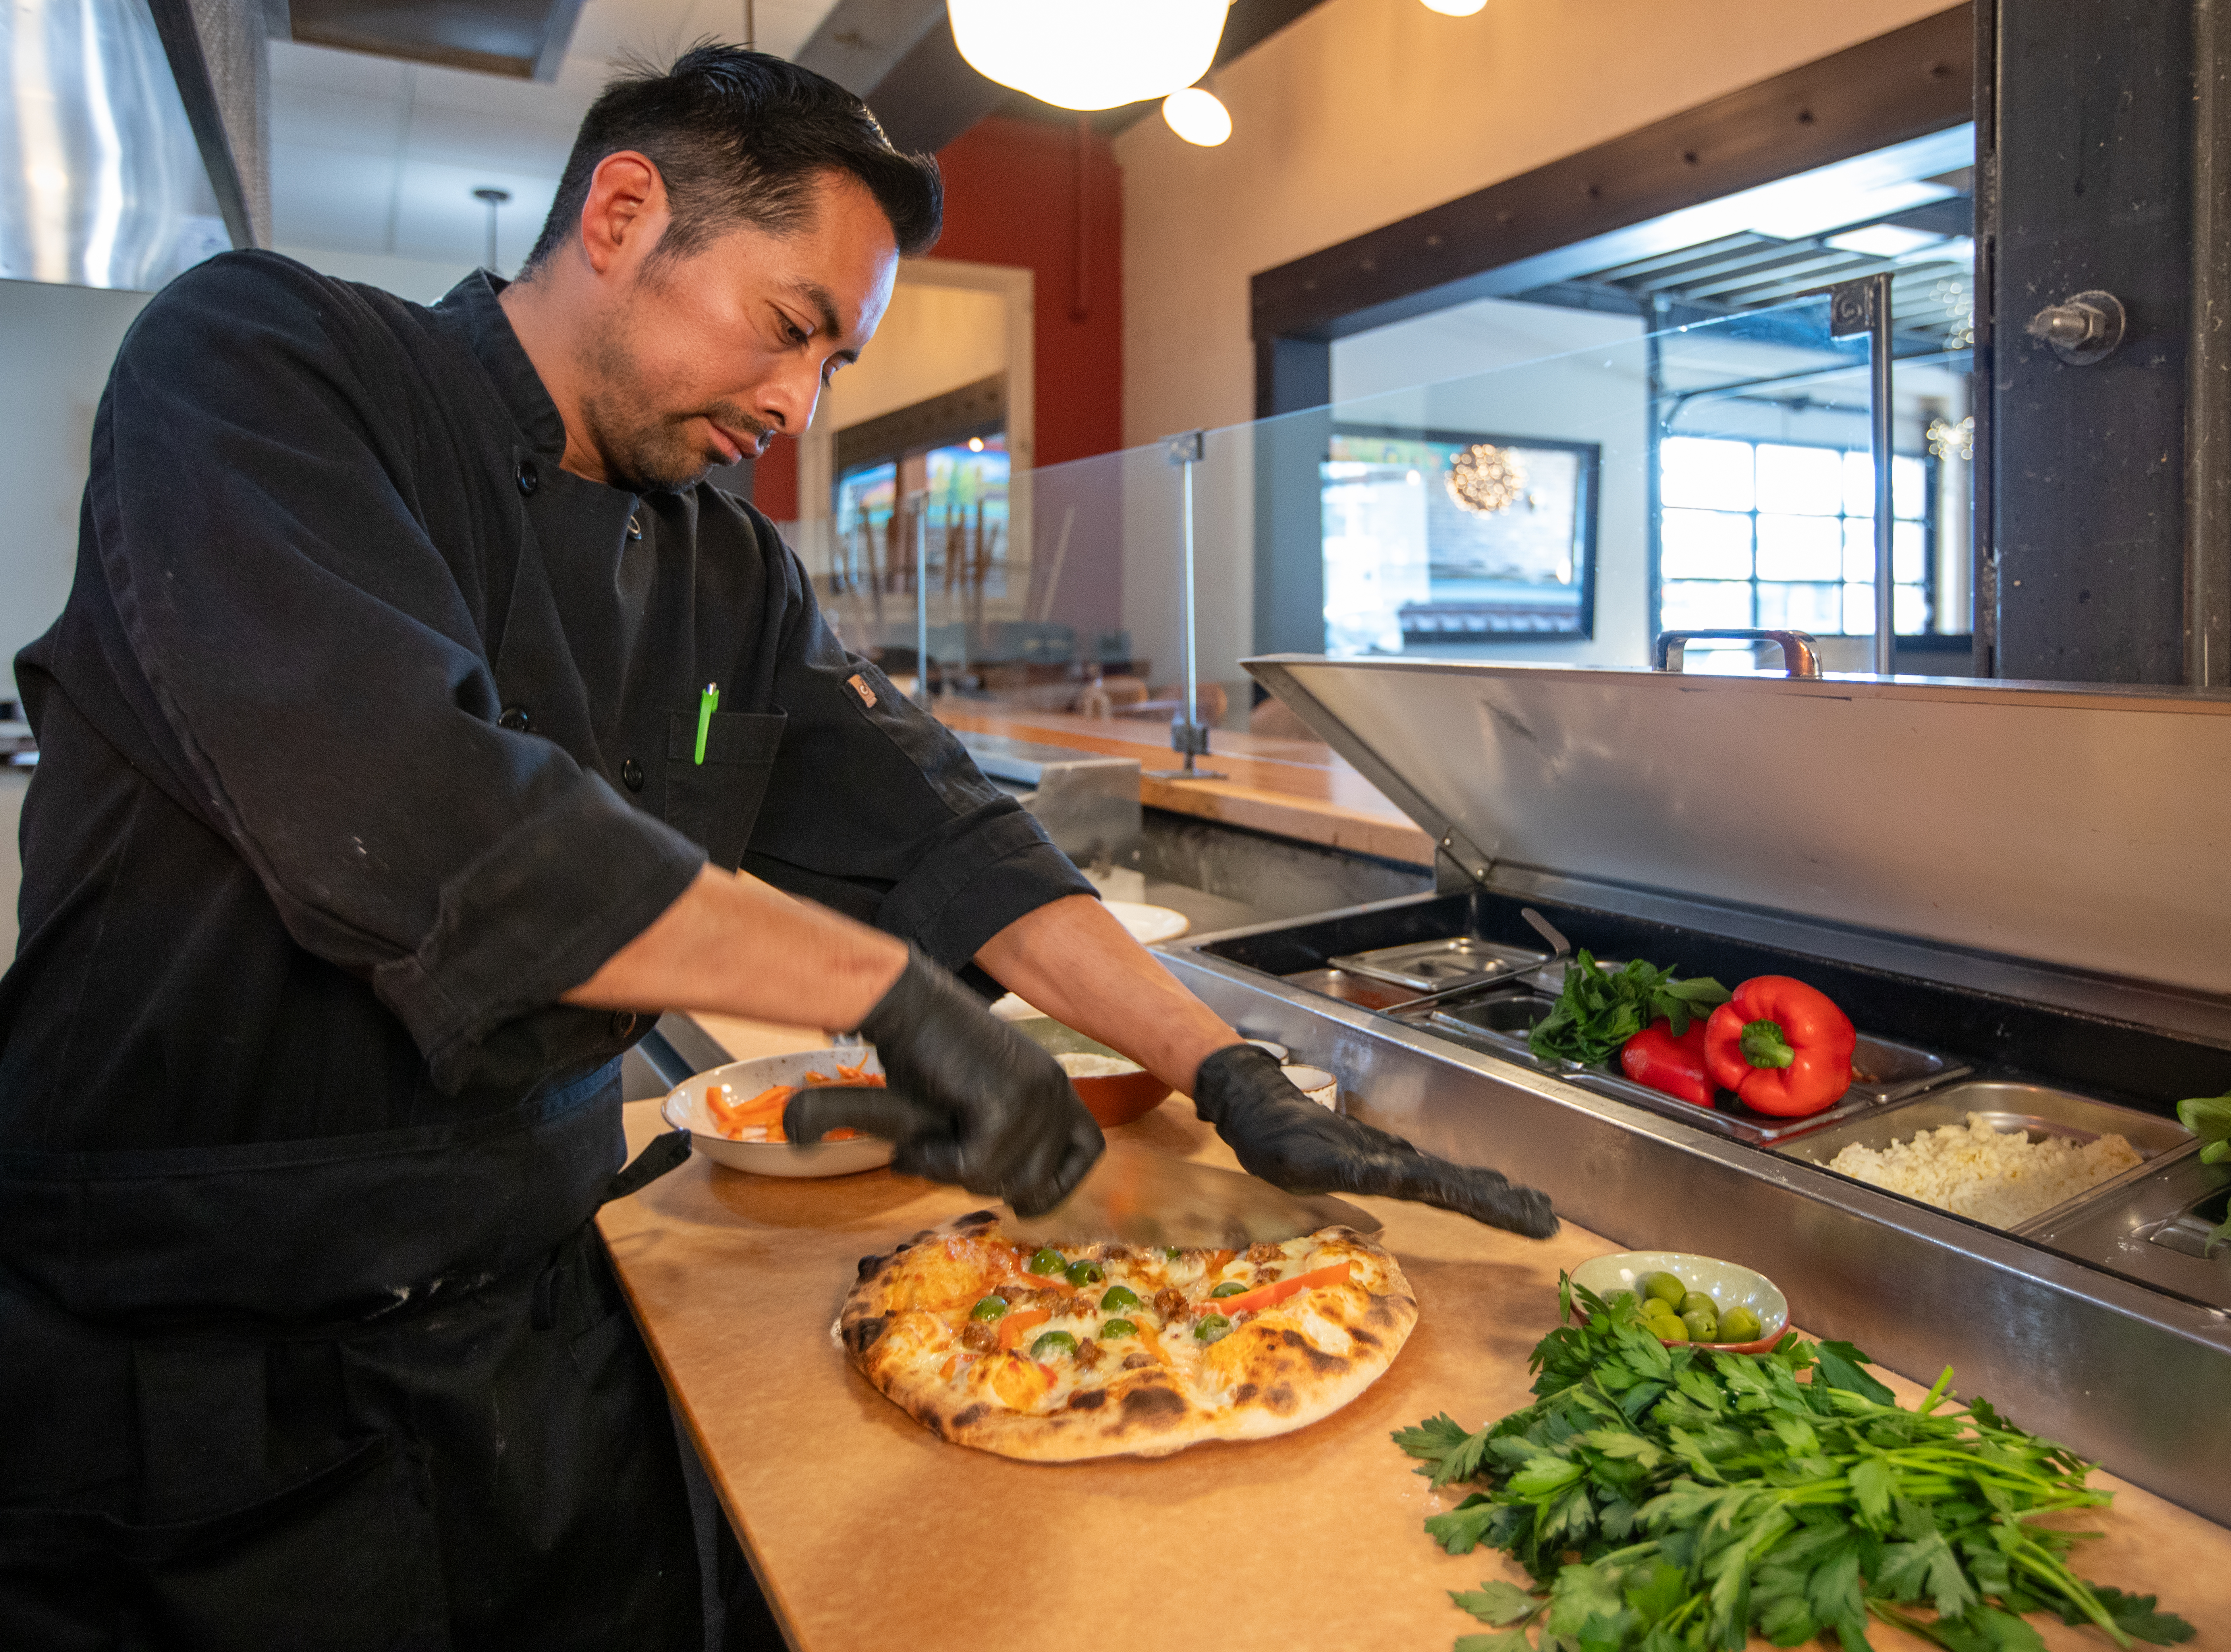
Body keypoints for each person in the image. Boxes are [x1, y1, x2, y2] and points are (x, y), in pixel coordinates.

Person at [0, 45, 1554, 1650]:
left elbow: (950, 833)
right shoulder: (265, 362)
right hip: (191, 1382)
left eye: (835, 362)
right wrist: (894, 998)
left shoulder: (728, 566)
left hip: (542, 1319)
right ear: (621, 212)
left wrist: (1235, 1075)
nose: (795, 406)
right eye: (790, 325)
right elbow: (418, 812)